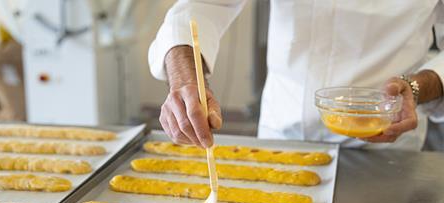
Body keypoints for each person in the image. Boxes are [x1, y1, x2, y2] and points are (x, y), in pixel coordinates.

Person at [148, 0, 444, 151]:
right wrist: (185, 78)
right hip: (282, 138)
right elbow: (205, 5)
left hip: (388, 151)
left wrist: (418, 87)